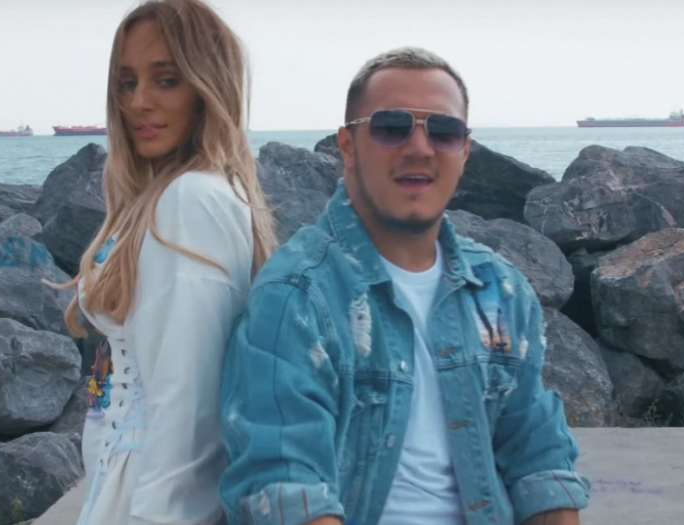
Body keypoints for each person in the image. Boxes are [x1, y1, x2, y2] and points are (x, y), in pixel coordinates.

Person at [218, 47, 590, 525]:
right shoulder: (296, 296)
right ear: (347, 146)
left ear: (465, 151)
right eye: (391, 127)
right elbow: (286, 486)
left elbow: (539, 456)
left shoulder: (500, 290)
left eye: (444, 131)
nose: (419, 147)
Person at [56, 1, 277, 524]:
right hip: (120, 479)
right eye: (126, 82)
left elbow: (188, 412)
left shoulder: (190, 201)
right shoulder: (168, 196)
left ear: (208, 87)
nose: (138, 102)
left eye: (167, 80)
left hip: (145, 497)